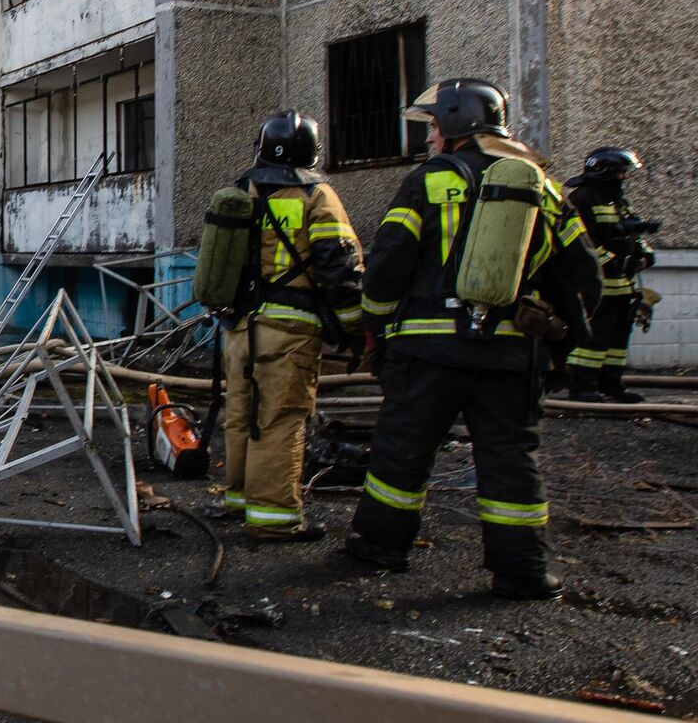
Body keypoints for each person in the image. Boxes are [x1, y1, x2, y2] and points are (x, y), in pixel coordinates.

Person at [347, 78, 602, 600]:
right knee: (510, 455)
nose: (431, 137)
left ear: (457, 125)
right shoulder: (543, 188)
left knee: (403, 450)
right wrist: (561, 340)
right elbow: (585, 275)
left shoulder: (430, 181)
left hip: (427, 350)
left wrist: (372, 326)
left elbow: (390, 262)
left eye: (435, 126)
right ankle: (522, 571)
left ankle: (380, 548)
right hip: (513, 354)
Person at [218, 111, 364, 541]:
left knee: (242, 413)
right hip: (291, 327)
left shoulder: (241, 190)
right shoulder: (317, 196)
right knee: (279, 417)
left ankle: (238, 501)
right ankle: (275, 518)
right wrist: (355, 325)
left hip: (241, 326)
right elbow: (339, 265)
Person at [564, 147, 658, 404]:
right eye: (620, 173)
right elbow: (584, 242)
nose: (624, 178)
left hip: (622, 285)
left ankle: (611, 383)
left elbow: (632, 233)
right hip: (597, 286)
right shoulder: (582, 199)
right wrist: (612, 261)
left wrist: (643, 254)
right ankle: (582, 386)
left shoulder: (617, 201)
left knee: (618, 337)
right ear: (605, 174)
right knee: (595, 336)